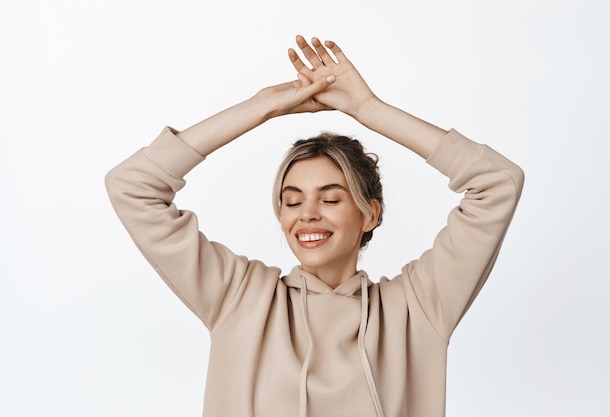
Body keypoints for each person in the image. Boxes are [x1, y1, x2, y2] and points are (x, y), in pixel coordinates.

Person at [106, 35, 524, 417]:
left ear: (370, 214)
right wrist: (262, 107)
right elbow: (132, 186)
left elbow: (498, 183)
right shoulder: (239, 298)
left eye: (330, 198)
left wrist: (368, 109)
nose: (306, 214)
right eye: (292, 200)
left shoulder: (419, 308)